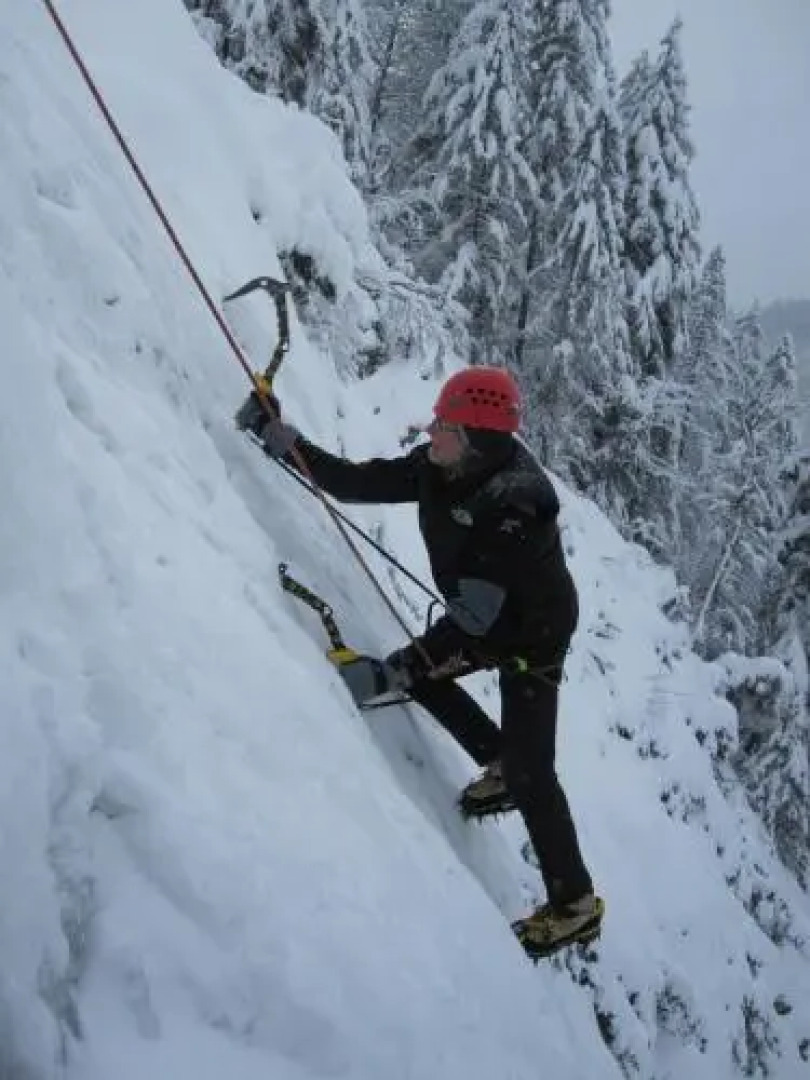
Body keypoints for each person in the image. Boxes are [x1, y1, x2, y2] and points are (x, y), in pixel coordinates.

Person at [236, 366, 603, 956]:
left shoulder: (516, 510)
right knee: (430, 679)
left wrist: (398, 670)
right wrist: (282, 438)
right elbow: (356, 483)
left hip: (534, 634)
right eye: (437, 421)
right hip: (485, 615)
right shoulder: (444, 467)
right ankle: (500, 765)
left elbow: (472, 628)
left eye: (445, 425)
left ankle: (574, 905)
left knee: (530, 766)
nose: (432, 431)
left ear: (477, 438)